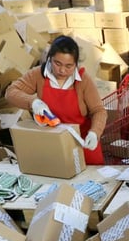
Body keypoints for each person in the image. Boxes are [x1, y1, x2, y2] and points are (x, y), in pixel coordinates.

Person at [6, 35, 107, 165]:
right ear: (49, 58)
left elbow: (99, 111)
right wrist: (33, 102)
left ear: (76, 64)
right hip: (52, 143)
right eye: (57, 63)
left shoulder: (83, 80)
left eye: (69, 66)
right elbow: (10, 92)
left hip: (82, 143)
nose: (62, 70)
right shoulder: (38, 75)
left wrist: (94, 133)